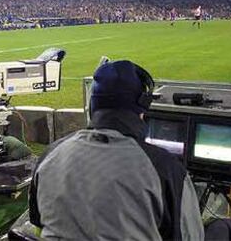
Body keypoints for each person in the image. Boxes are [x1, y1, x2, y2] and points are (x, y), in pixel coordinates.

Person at [29, 60, 204, 240]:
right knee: (228, 229)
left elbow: (38, 225)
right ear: (141, 109)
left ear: (92, 106)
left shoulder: (50, 154)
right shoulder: (166, 169)